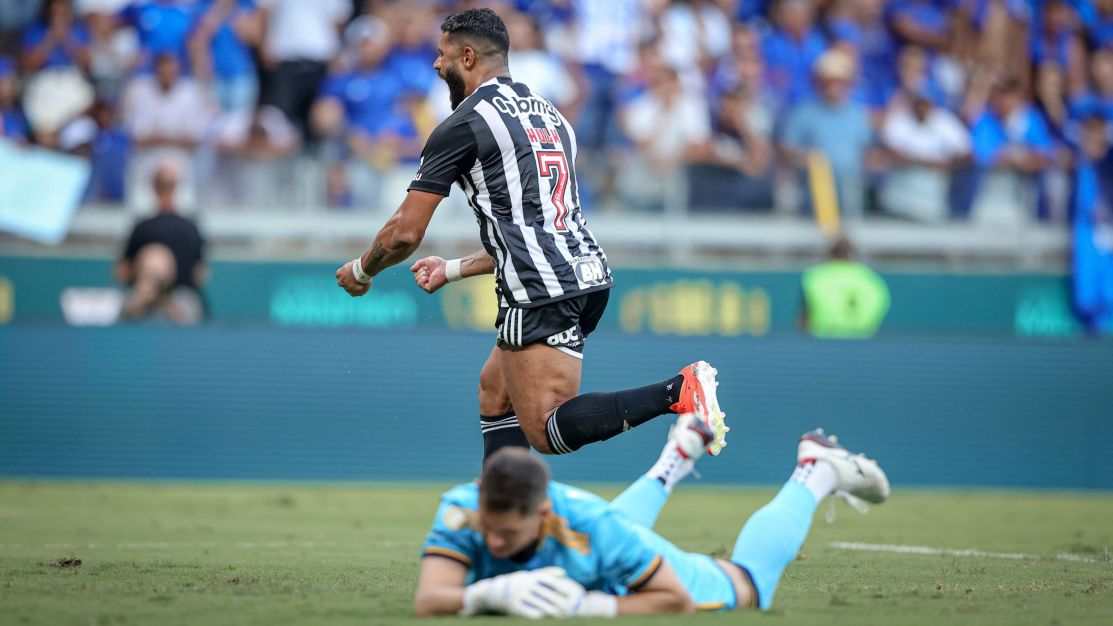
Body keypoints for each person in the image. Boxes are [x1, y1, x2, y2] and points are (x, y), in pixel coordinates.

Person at [334, 8, 726, 462]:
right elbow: (531, 227)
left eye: (441, 55)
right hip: (583, 273)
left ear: (466, 57)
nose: (435, 65)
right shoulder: (551, 117)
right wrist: (453, 269)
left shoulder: (464, 124)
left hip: (540, 290)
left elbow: (404, 233)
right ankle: (504, 516)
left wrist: (364, 270)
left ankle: (678, 391)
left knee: (545, 429)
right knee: (494, 394)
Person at [413, 413, 890, 617]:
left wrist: (591, 608)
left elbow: (676, 600)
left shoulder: (592, 527)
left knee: (745, 585)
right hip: (599, 548)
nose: (493, 543)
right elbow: (429, 599)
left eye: (507, 535)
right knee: (604, 545)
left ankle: (815, 470)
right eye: (489, 531)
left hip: (633, 565)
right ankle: (676, 457)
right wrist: (486, 593)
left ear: (541, 513)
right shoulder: (459, 508)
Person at [116, 163, 206, 324]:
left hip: (150, 304)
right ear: (176, 188)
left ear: (154, 188)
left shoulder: (142, 228)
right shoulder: (190, 228)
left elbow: (122, 271)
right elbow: (200, 273)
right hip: (180, 301)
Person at [800, 236, 890, 339]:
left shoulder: (815, 277)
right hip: (863, 341)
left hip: (823, 340)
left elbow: (804, 317)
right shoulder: (871, 279)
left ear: (830, 254)